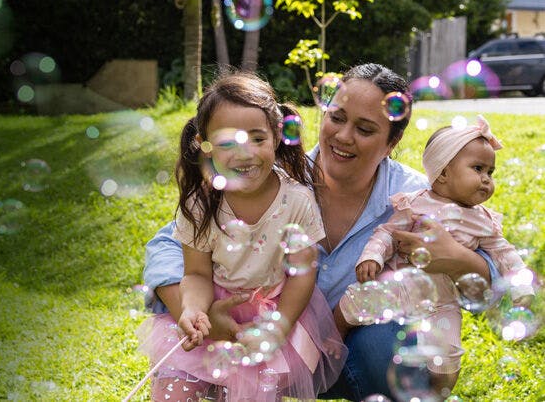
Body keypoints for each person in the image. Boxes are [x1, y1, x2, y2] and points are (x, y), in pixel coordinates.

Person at [143, 63, 502, 401]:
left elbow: (495, 269)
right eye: (337, 118)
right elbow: (169, 245)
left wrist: (456, 259)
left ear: (391, 143)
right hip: (258, 341)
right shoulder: (266, 173)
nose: (343, 136)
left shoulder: (415, 200)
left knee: (385, 345)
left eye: (364, 129)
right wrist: (200, 316)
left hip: (342, 352)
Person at [137, 72, 347, 401]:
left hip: (270, 314)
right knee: (174, 392)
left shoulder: (297, 201)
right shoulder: (201, 204)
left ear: (277, 136)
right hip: (215, 303)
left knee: (246, 391)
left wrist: (280, 325)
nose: (244, 153)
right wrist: (192, 309)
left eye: (257, 139)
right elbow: (195, 273)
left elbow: (302, 275)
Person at [334, 114, 534, 394]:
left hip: (442, 302)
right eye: (478, 168)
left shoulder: (483, 220)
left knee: (449, 353)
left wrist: (520, 283)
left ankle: (437, 393)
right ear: (442, 173)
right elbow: (388, 233)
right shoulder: (415, 203)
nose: (487, 180)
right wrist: (372, 257)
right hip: (400, 286)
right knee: (353, 303)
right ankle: (329, 343)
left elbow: (504, 252)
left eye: (490, 172)